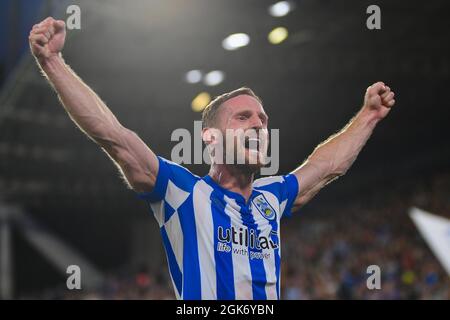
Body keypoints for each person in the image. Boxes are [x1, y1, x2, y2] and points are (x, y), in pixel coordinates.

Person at [29, 17, 396, 300]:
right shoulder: (181, 191)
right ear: (210, 137)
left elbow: (326, 165)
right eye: (243, 117)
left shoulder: (273, 197)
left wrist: (368, 116)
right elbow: (115, 137)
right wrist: (53, 61)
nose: (258, 125)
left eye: (263, 120)